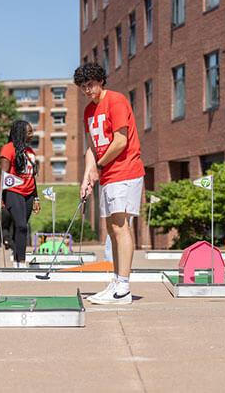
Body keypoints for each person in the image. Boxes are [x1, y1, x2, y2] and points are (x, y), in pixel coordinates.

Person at [74, 62, 145, 305]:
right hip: (108, 175)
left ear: (101, 81)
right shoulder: (87, 112)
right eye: (83, 87)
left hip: (125, 170)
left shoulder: (115, 100)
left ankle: (123, 288)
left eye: (91, 85)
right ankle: (116, 282)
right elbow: (92, 148)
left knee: (121, 227)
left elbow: (120, 140)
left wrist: (100, 166)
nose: (88, 90)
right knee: (112, 230)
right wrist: (87, 175)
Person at [0, 120, 40, 268]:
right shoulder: (8, 149)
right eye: (29, 132)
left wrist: (36, 198)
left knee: (23, 227)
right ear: (20, 133)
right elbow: (4, 173)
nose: (32, 135)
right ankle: (19, 262)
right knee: (21, 226)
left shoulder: (31, 152)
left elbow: (32, 176)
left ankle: (18, 259)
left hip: (29, 193)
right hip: (13, 191)